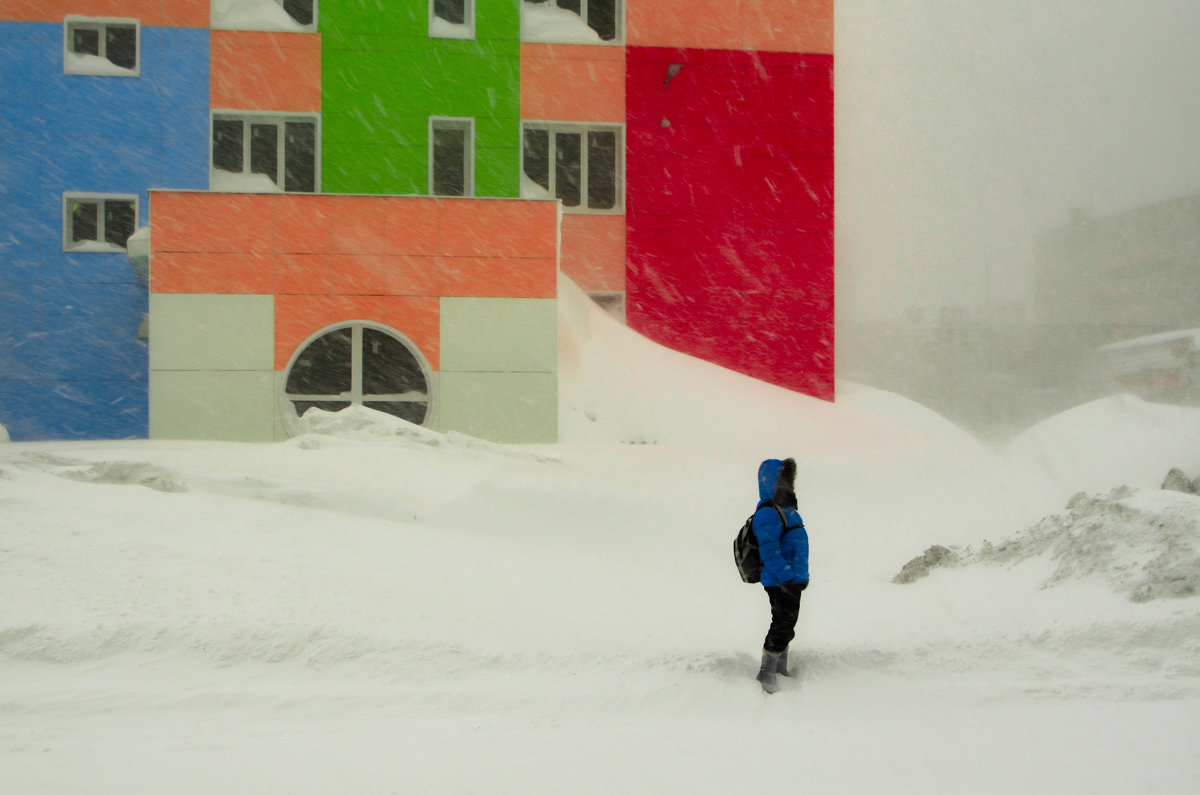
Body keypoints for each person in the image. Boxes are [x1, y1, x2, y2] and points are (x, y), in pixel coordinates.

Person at [751, 457, 810, 693]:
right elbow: (769, 549)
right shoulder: (768, 513)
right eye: (786, 480)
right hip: (779, 580)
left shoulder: (787, 510)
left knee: (788, 622)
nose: (791, 485)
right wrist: (786, 575)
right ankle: (766, 673)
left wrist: (800, 576)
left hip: (791, 580)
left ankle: (780, 668)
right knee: (782, 623)